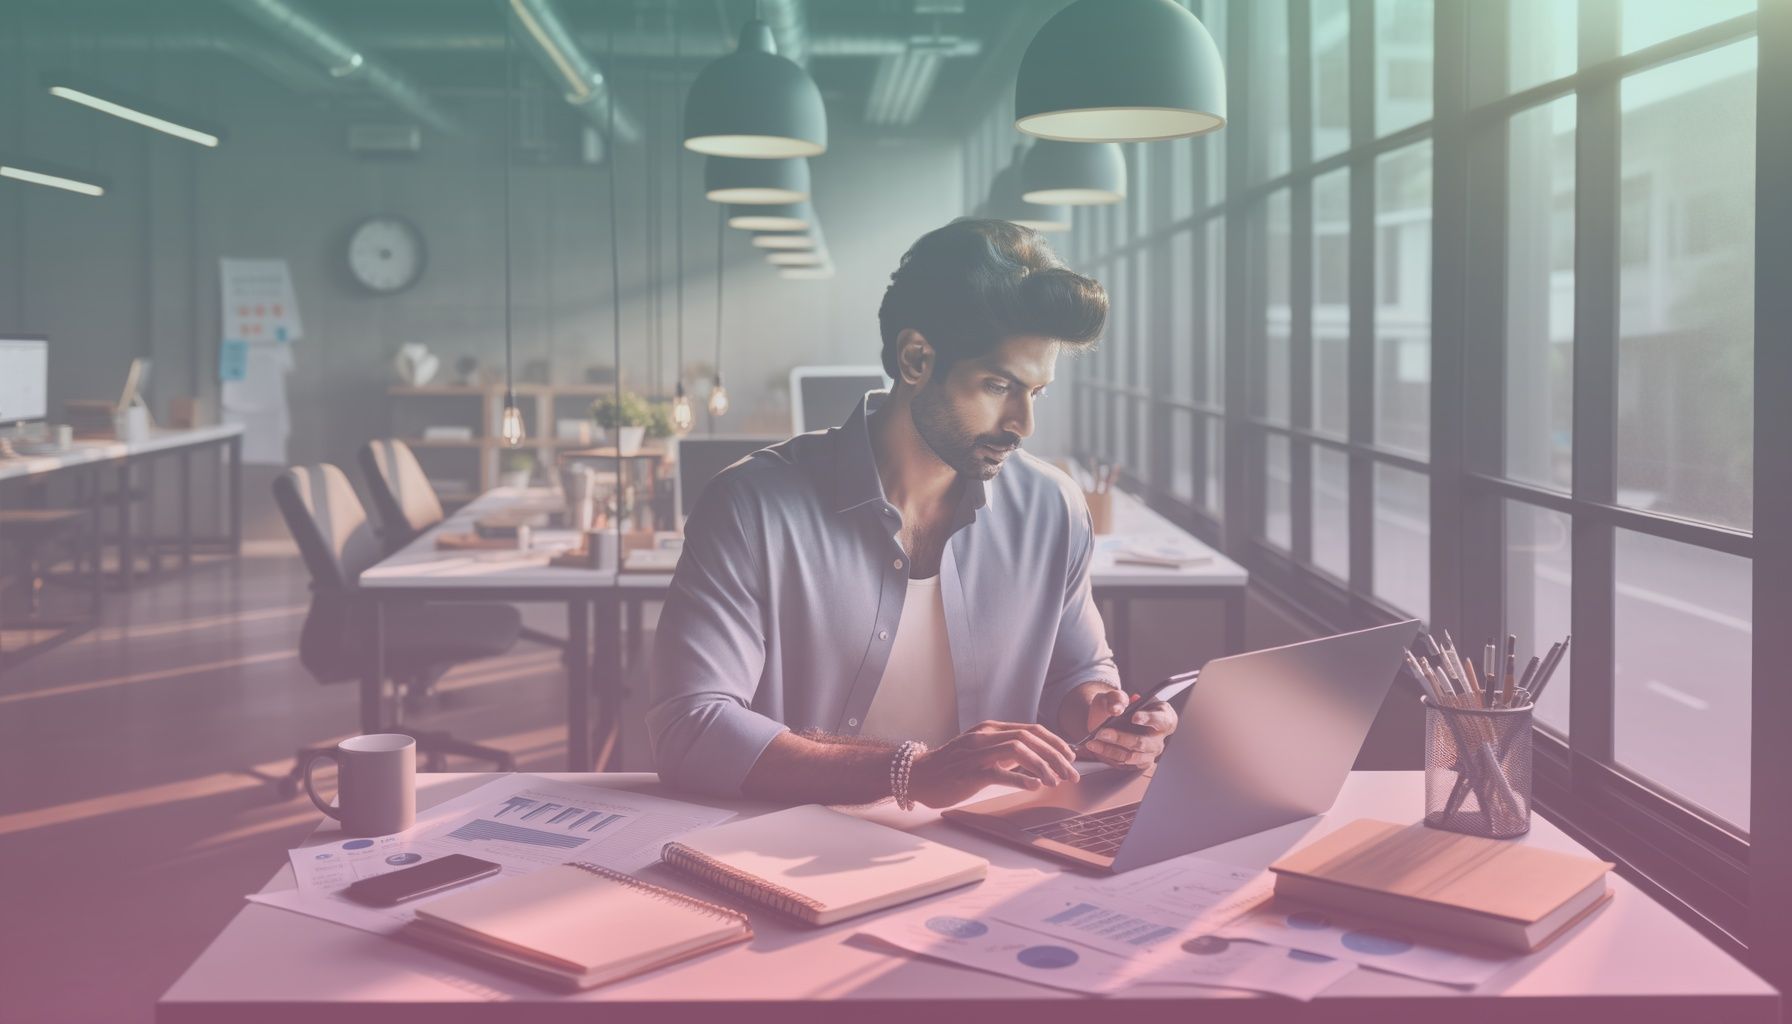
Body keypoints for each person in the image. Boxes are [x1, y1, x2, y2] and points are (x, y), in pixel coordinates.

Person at [647, 218, 1178, 807]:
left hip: (989, 850)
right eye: (998, 385)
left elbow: (1077, 676)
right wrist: (911, 773)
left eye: (1037, 392)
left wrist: (1105, 716)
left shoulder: (1053, 508)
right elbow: (690, 730)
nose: (1023, 425)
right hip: (786, 845)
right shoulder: (751, 507)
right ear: (916, 358)